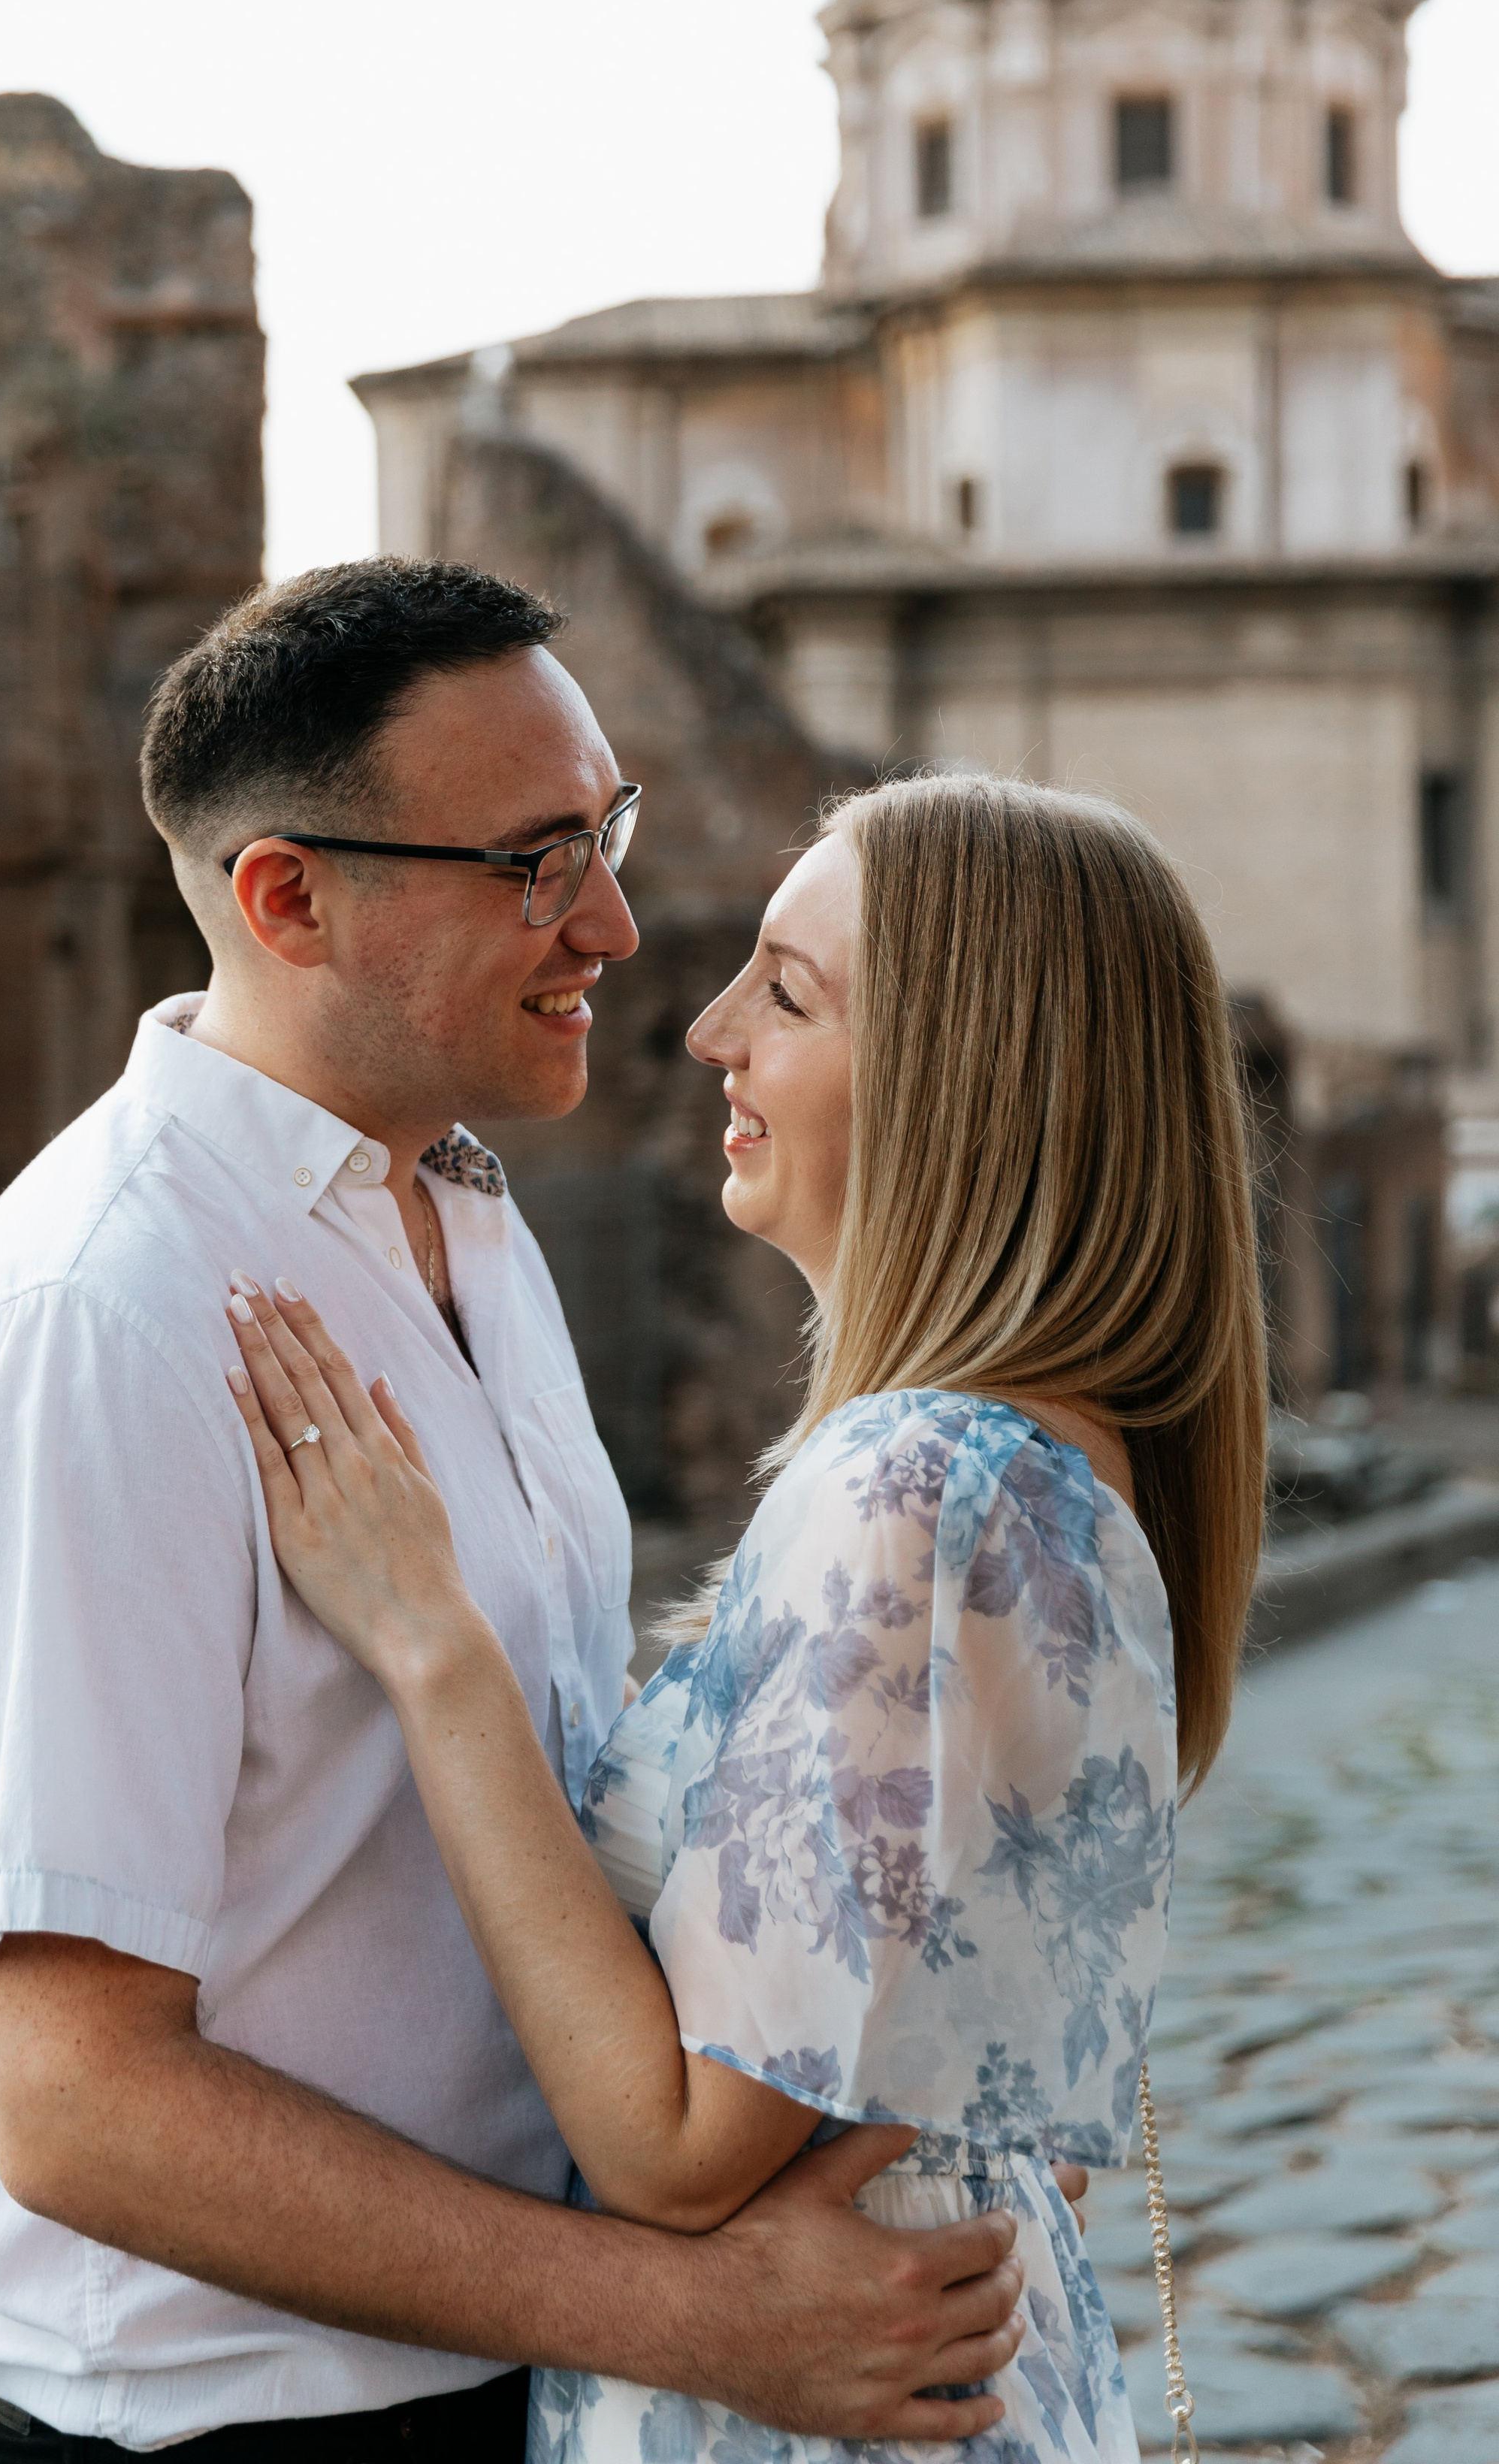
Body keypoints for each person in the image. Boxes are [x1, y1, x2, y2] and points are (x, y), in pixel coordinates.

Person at [0, 564, 1042, 2464]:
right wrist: (698, 2318)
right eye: (533, 860)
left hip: (515, 2370)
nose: (616, 922)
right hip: (233, 2426)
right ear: (287, 897)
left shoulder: (468, 1214)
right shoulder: (94, 1328)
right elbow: (78, 2105)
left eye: (607, 829)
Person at [220, 771, 1269, 2464]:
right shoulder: (1052, 1467)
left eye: (783, 994)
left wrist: (431, 1646)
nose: (705, 1031)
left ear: (957, 1083)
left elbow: (671, 2151)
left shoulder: (915, 1490)